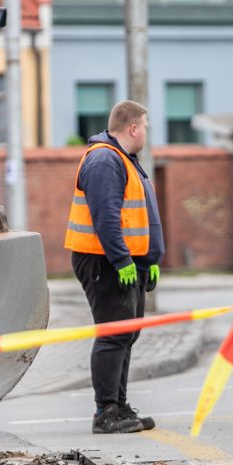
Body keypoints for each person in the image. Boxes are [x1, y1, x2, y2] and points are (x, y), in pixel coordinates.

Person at [64, 100, 165, 434]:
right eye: (146, 126)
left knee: (126, 334)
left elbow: (136, 215)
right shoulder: (105, 159)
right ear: (133, 127)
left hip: (124, 261)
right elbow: (105, 217)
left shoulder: (125, 160)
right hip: (104, 261)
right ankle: (105, 412)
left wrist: (149, 259)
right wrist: (122, 260)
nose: (147, 133)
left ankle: (119, 407)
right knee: (112, 334)